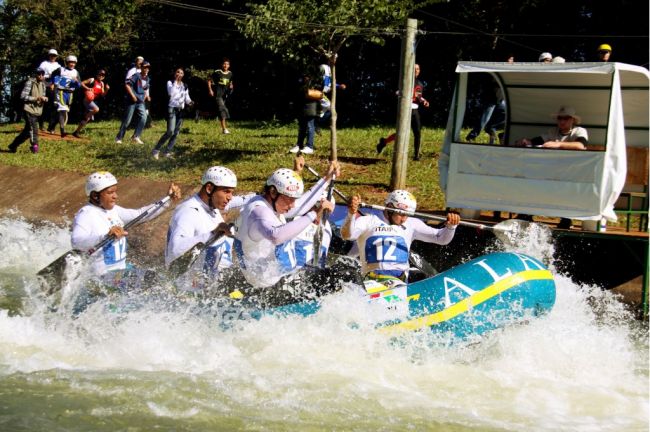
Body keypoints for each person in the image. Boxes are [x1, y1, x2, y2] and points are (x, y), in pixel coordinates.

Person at [234, 161, 339, 290]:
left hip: (278, 280)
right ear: (273, 192)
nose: (293, 205)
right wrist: (315, 213)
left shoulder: (270, 204)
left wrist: (327, 178)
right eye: (290, 199)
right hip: (271, 289)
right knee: (346, 272)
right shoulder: (258, 212)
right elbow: (276, 236)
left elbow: (301, 206)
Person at [71, 171, 181, 277]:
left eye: (115, 191)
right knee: (149, 279)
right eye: (110, 193)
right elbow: (76, 241)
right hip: (103, 276)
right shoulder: (86, 214)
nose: (115, 196)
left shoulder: (114, 210)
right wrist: (105, 236)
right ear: (95, 195)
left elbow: (141, 214)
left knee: (157, 277)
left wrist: (168, 200)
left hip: (121, 270)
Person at [341, 190, 460, 284]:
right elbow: (347, 235)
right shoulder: (368, 220)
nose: (404, 219)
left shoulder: (412, 224)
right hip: (372, 279)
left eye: (407, 215)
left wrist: (451, 227)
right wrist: (351, 214)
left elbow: (441, 239)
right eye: (401, 214)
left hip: (399, 280)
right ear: (389, 207)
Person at [165, 166, 254, 277]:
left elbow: (239, 201)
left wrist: (263, 196)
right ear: (209, 188)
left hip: (215, 284)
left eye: (232, 192)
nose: (230, 197)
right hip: (189, 290)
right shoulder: (188, 211)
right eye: (226, 191)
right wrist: (213, 233)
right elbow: (175, 250)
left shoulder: (211, 206)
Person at [376, 63, 429, 161]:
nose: (416, 71)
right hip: (405, 110)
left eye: (418, 69)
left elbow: (418, 96)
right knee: (401, 133)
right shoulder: (405, 81)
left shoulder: (420, 84)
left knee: (417, 133)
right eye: (414, 69)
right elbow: (397, 92)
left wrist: (424, 101)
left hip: (415, 110)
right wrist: (401, 94)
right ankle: (384, 142)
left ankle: (416, 156)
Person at [152, 67, 193, 159]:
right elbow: (171, 93)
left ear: (183, 75)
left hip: (180, 110)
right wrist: (176, 82)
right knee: (170, 131)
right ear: (175, 74)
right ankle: (156, 150)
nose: (179, 74)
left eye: (181, 73)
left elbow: (187, 98)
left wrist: (191, 102)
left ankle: (167, 152)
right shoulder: (170, 83)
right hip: (172, 109)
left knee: (176, 133)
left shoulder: (185, 86)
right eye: (178, 72)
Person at [8, 68, 48, 154]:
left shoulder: (43, 85)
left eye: (42, 74)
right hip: (28, 109)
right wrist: (36, 98)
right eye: (39, 74)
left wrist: (44, 99)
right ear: (35, 74)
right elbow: (23, 96)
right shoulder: (29, 82)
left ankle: (13, 145)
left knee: (26, 132)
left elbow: (43, 96)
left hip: (37, 110)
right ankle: (35, 147)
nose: (41, 76)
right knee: (34, 129)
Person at [514, 106, 588, 150]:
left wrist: (558, 144)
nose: (562, 121)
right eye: (559, 118)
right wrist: (525, 142)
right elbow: (537, 141)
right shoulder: (553, 131)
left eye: (566, 118)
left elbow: (580, 145)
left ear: (573, 120)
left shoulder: (579, 131)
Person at [115, 61, 151, 144]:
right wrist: (133, 96)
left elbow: (145, 89)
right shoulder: (136, 76)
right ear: (141, 68)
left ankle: (136, 136)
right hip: (131, 100)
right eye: (145, 67)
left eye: (148, 67)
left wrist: (145, 96)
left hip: (140, 101)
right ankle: (119, 137)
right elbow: (127, 85)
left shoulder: (147, 78)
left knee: (144, 117)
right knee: (127, 120)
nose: (146, 69)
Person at [47, 54, 81, 137]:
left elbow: (79, 84)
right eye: (70, 62)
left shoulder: (76, 72)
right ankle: (62, 130)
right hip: (60, 92)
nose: (72, 64)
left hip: (70, 94)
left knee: (63, 111)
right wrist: (52, 82)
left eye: (74, 63)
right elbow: (52, 75)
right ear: (67, 62)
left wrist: (77, 82)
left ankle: (52, 126)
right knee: (63, 110)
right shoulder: (61, 69)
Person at [73, 69, 110, 137]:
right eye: (100, 74)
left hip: (92, 101)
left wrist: (107, 89)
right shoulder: (92, 80)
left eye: (103, 75)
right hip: (87, 99)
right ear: (97, 75)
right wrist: (88, 89)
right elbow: (81, 83)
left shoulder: (102, 83)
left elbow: (102, 95)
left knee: (87, 119)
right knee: (96, 109)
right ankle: (85, 116)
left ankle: (76, 132)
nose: (101, 76)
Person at [288, 74, 320, 154]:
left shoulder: (315, 84)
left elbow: (319, 93)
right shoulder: (301, 84)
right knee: (302, 127)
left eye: (307, 76)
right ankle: (299, 145)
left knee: (310, 127)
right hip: (302, 108)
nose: (305, 78)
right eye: (304, 76)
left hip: (311, 108)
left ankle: (309, 146)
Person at [315, 61, 346, 135]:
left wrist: (339, 86)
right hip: (317, 92)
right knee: (330, 108)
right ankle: (316, 123)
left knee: (327, 110)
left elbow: (329, 83)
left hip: (321, 93)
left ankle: (316, 123)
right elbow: (321, 82)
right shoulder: (324, 67)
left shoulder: (331, 70)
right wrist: (327, 88)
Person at [208, 58, 233, 135]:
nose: (225, 65)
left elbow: (230, 83)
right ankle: (224, 129)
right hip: (217, 94)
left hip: (224, 95)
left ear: (229, 65)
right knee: (222, 110)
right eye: (224, 64)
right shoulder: (217, 72)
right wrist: (210, 90)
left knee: (217, 112)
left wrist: (231, 86)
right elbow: (209, 80)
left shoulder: (230, 74)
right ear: (222, 65)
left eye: (227, 64)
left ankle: (200, 113)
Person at [38, 48, 61, 131]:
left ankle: (51, 126)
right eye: (51, 55)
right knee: (43, 105)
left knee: (54, 106)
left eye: (54, 55)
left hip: (53, 88)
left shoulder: (58, 66)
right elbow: (39, 73)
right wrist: (43, 77)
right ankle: (41, 124)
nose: (52, 57)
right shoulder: (44, 64)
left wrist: (54, 83)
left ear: (56, 56)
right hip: (43, 86)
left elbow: (60, 77)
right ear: (49, 55)